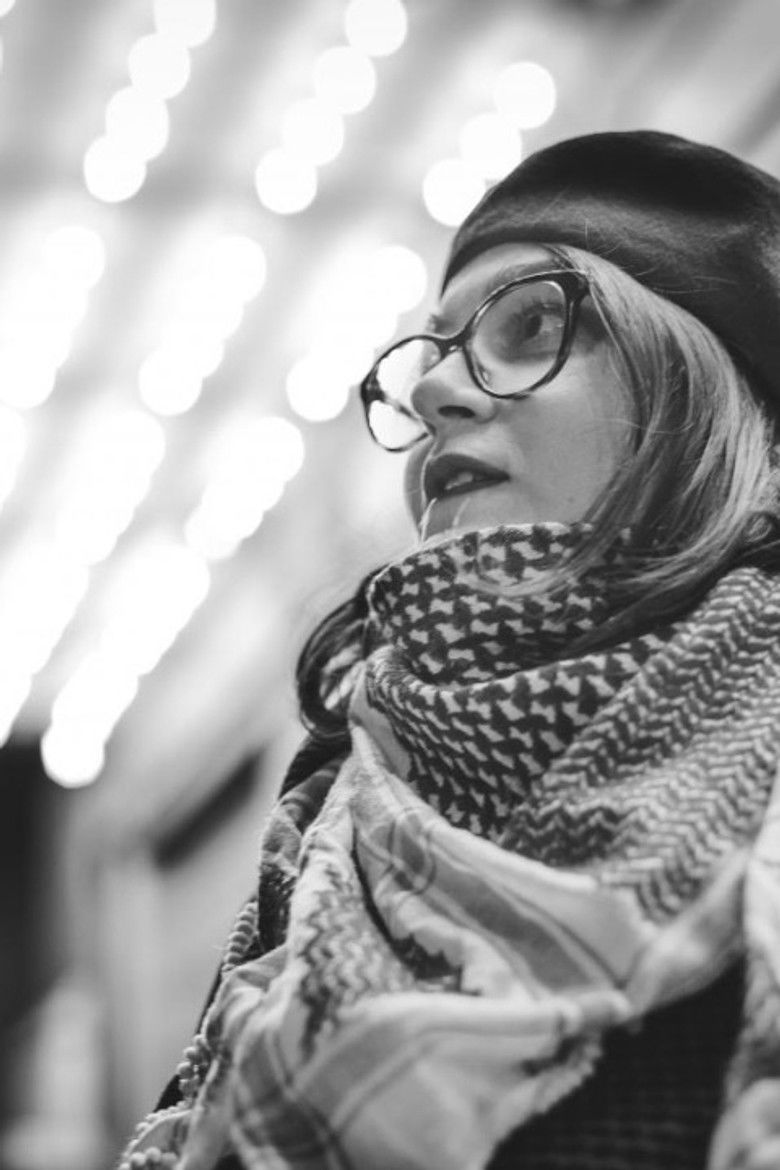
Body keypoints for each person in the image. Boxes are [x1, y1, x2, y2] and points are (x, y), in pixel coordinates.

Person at [120, 130, 780, 1170]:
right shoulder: (329, 812)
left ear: (700, 392)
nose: (433, 392)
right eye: (434, 355)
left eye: (532, 326)